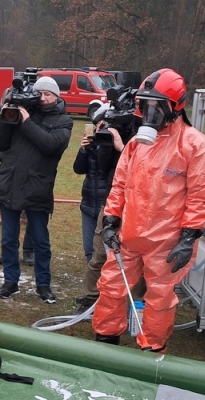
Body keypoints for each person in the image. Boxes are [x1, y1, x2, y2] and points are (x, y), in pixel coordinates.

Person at [92, 68, 205, 351]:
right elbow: (120, 185)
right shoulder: (137, 144)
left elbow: (200, 196)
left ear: (175, 106)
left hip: (168, 241)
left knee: (159, 298)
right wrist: (111, 221)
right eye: (145, 105)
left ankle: (152, 346)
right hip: (129, 234)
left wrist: (189, 238)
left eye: (156, 106)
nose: (150, 113)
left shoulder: (196, 145)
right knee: (111, 286)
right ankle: (105, 339)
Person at [0, 76, 73, 303]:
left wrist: (26, 122)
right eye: (40, 93)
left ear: (57, 96)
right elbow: (1, 144)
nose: (44, 97)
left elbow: (50, 146)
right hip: (11, 183)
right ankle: (10, 281)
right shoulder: (21, 112)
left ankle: (43, 285)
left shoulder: (64, 121)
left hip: (38, 187)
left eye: (49, 94)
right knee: (8, 239)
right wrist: (6, 117)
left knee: (40, 240)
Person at [72, 103, 133, 314]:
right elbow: (78, 169)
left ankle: (105, 295)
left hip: (109, 206)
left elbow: (130, 171)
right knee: (91, 251)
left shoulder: (124, 148)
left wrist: (117, 146)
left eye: (104, 124)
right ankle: (93, 295)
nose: (101, 127)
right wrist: (84, 149)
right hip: (89, 203)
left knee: (107, 254)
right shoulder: (94, 144)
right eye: (98, 124)